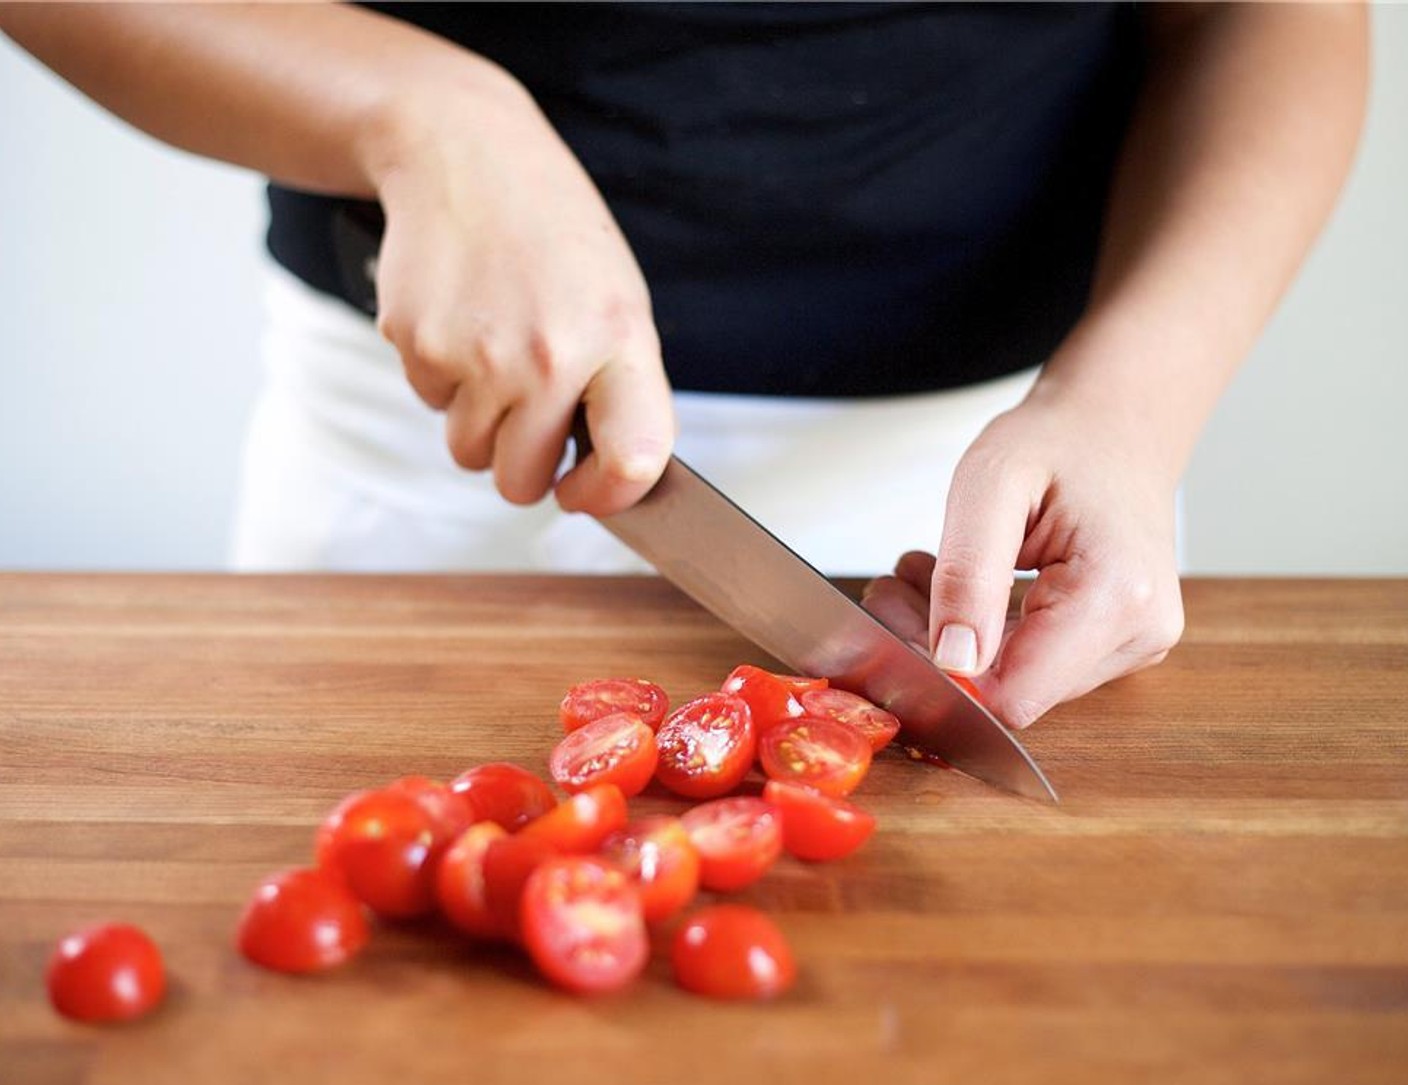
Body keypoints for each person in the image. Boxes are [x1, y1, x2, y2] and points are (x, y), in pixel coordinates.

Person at [0, 3, 1369, 729]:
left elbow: (1274, 11)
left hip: (998, 497)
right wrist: (415, 114)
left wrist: (1133, 403)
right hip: (429, 460)